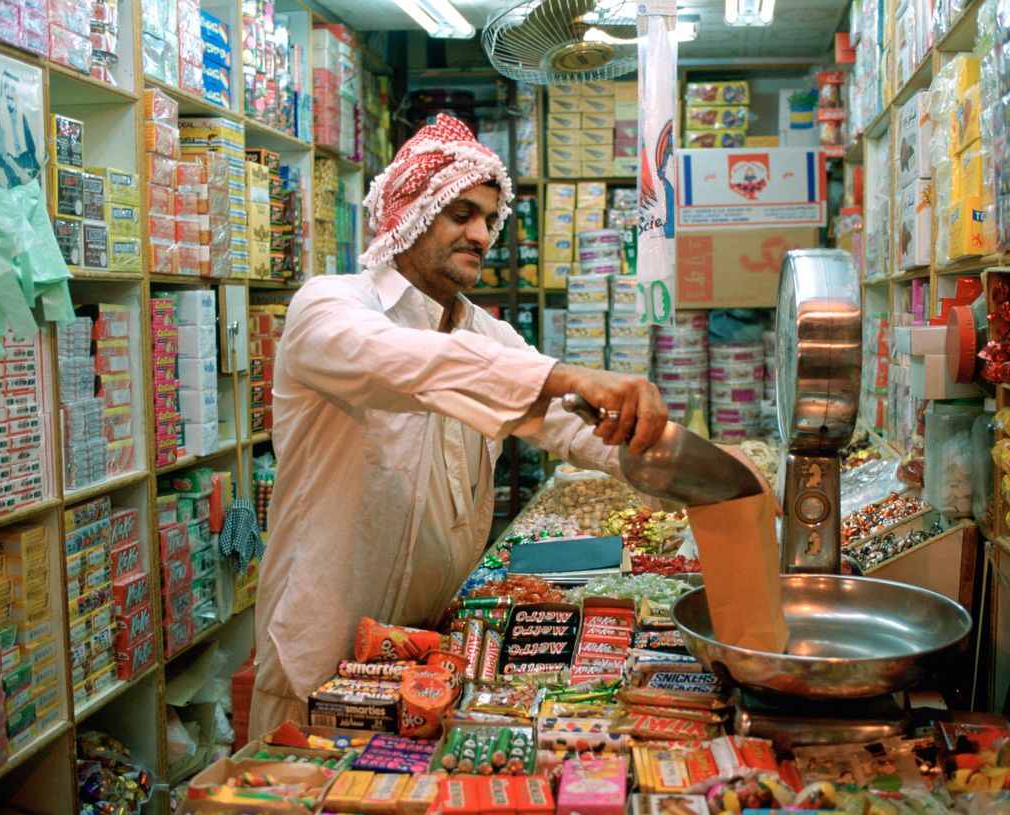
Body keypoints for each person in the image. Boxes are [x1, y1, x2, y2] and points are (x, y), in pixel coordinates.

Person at [249, 114, 764, 738]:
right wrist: (567, 375)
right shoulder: (330, 306)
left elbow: (568, 426)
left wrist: (695, 468)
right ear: (410, 211)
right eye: (460, 212)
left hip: (421, 648)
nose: (481, 234)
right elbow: (405, 364)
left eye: (491, 220)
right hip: (321, 640)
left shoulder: (489, 336)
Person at [0, 70, 39, 188]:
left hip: (27, 171)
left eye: (13, 88)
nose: (9, 93)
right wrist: (20, 172)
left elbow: (31, 147)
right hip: (9, 171)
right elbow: (1, 153)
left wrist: (36, 171)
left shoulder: (21, 115)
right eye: (6, 87)